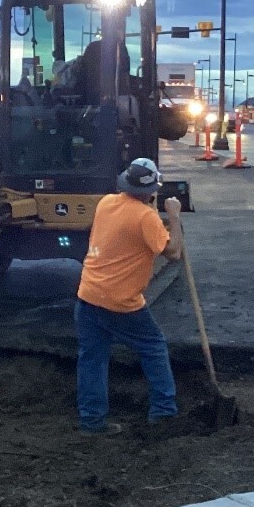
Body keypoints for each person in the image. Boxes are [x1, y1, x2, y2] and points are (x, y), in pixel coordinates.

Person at [74, 157, 183, 435]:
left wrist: (154, 211)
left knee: (92, 358)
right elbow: (173, 253)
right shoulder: (145, 217)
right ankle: (163, 412)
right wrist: (174, 216)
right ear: (151, 189)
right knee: (154, 347)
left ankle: (92, 421)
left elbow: (134, 230)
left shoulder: (107, 203)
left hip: (88, 294)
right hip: (120, 302)